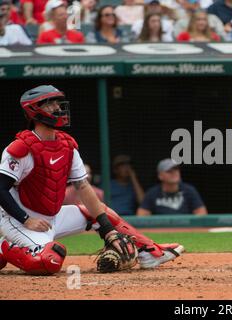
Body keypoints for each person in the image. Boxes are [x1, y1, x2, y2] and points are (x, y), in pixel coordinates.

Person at [0, 85, 184, 275]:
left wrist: (108, 229)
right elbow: (1, 189)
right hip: (18, 220)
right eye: (50, 104)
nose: (57, 107)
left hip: (51, 217)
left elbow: (83, 186)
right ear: (33, 110)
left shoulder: (67, 146)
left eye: (57, 102)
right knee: (49, 260)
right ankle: (4, 246)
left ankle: (149, 253)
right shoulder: (21, 148)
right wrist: (26, 219)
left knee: (100, 212)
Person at [137, 159, 208, 215]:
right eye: (169, 171)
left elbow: (202, 213)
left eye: (176, 169)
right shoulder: (152, 193)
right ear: (160, 176)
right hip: (161, 229)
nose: (174, 173)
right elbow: (141, 215)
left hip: (184, 228)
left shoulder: (189, 190)